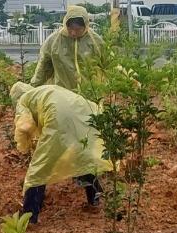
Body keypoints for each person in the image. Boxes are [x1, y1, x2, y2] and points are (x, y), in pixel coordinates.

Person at [10, 81, 111, 223]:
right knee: (81, 157)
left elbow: (25, 126)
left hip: (57, 119)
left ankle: (29, 216)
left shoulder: (23, 100)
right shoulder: (44, 90)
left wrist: (25, 146)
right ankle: (95, 200)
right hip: (82, 114)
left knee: (38, 170)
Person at [32, 5, 107, 92]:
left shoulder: (95, 41)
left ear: (86, 26)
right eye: (70, 28)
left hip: (90, 93)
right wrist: (34, 87)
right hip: (63, 94)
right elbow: (43, 66)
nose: (73, 33)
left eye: (78, 29)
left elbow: (108, 64)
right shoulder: (54, 41)